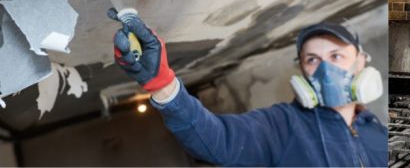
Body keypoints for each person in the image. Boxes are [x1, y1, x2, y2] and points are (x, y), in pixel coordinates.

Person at [112, 12, 388, 167]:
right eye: (312, 60)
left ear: (361, 62)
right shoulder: (282, 125)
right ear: (302, 71)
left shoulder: (377, 130)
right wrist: (163, 86)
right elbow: (217, 140)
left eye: (337, 56)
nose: (325, 69)